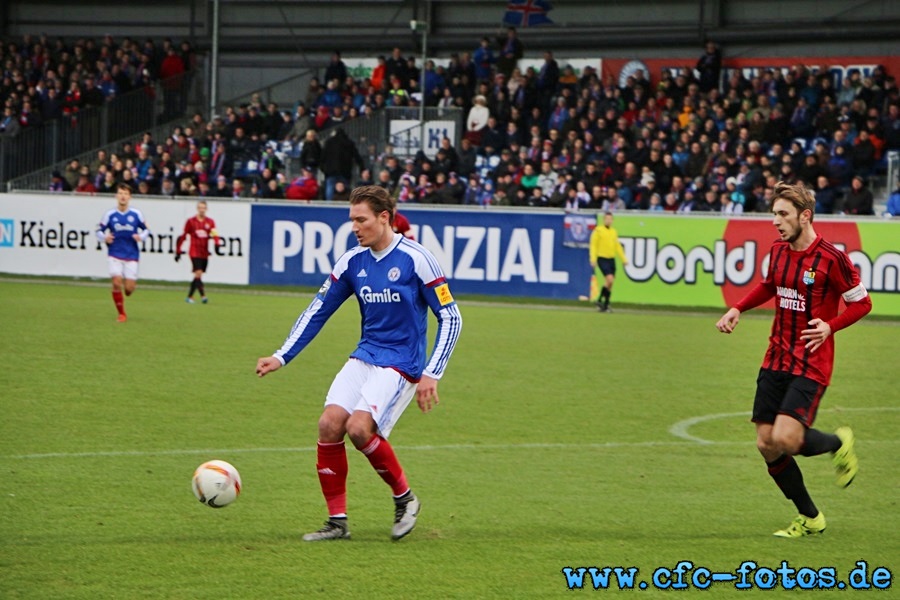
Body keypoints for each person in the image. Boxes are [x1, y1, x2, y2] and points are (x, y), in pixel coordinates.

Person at [255, 185, 462, 542]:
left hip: (401, 363)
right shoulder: (353, 261)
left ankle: (405, 499)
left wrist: (432, 372)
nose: (354, 226)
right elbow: (318, 309)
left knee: (359, 428)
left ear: (384, 218)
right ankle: (337, 522)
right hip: (366, 354)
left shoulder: (417, 259)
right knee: (330, 423)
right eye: (352, 219)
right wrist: (281, 355)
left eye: (361, 219)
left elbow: (451, 316)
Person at [715, 181, 872, 538]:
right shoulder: (780, 251)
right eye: (774, 214)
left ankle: (837, 442)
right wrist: (738, 307)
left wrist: (830, 326)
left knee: (786, 438)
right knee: (766, 443)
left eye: (783, 214)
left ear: (805, 216)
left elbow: (862, 303)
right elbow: (770, 284)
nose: (775, 221)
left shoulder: (832, 258)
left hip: (811, 362)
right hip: (775, 357)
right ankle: (810, 517)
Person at [96, 184, 150, 322]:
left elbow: (146, 230)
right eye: (120, 193)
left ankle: (128, 288)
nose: (123, 196)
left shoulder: (136, 214)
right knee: (116, 282)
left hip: (132, 254)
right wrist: (105, 237)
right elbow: (98, 230)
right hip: (115, 252)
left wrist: (141, 237)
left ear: (129, 197)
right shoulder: (110, 215)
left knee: (129, 290)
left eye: (125, 193)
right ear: (116, 196)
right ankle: (121, 314)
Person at [175, 200, 221, 304]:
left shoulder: (210, 222)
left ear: (206, 209)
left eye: (203, 208)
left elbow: (215, 234)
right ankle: (191, 297)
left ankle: (202, 296)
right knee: (198, 273)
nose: (202, 210)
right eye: (200, 208)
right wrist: (178, 251)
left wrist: (217, 244)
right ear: (197, 209)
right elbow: (183, 236)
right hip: (194, 251)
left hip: (204, 252)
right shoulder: (191, 221)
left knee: (199, 275)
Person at [589, 212, 628, 312]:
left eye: (610, 219)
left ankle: (605, 304)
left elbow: (617, 246)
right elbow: (593, 245)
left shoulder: (613, 232)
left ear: (612, 220)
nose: (608, 221)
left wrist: (624, 259)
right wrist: (593, 259)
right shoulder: (598, 231)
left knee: (610, 283)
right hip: (602, 258)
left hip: (611, 259)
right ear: (603, 220)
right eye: (607, 219)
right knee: (609, 279)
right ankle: (599, 300)